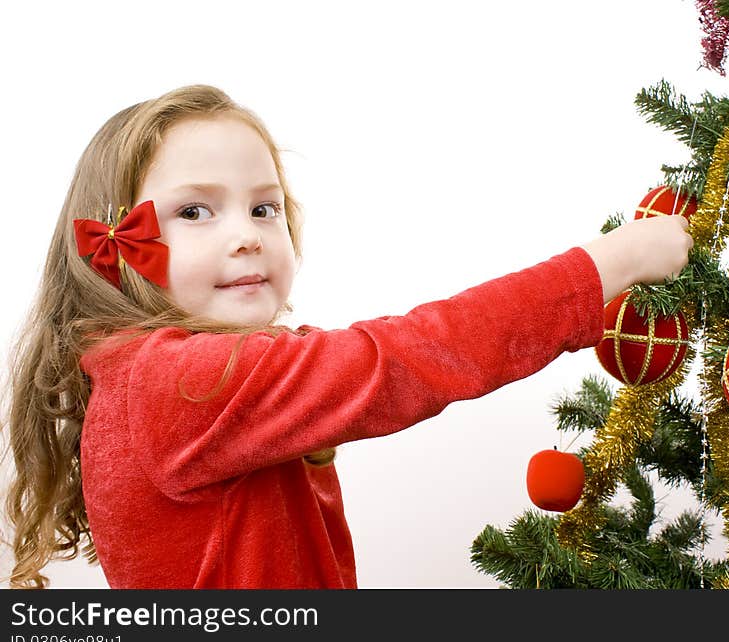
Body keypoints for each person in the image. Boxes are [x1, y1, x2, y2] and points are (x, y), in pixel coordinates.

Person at [1, 84, 693, 589]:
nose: (246, 235)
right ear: (114, 245)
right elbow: (408, 355)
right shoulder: (176, 382)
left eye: (264, 207)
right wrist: (611, 263)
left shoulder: (162, 374)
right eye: (195, 210)